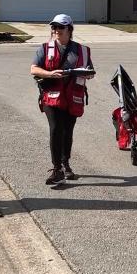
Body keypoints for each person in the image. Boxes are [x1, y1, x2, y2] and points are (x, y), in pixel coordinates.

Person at [29, 14, 95, 187]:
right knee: (55, 129)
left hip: (73, 97)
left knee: (67, 130)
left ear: (69, 29)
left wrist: (86, 74)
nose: (56, 30)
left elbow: (91, 72)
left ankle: (66, 163)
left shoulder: (82, 50)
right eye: (54, 27)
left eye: (60, 27)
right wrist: (50, 74)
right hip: (51, 96)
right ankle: (56, 168)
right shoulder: (44, 48)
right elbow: (34, 69)